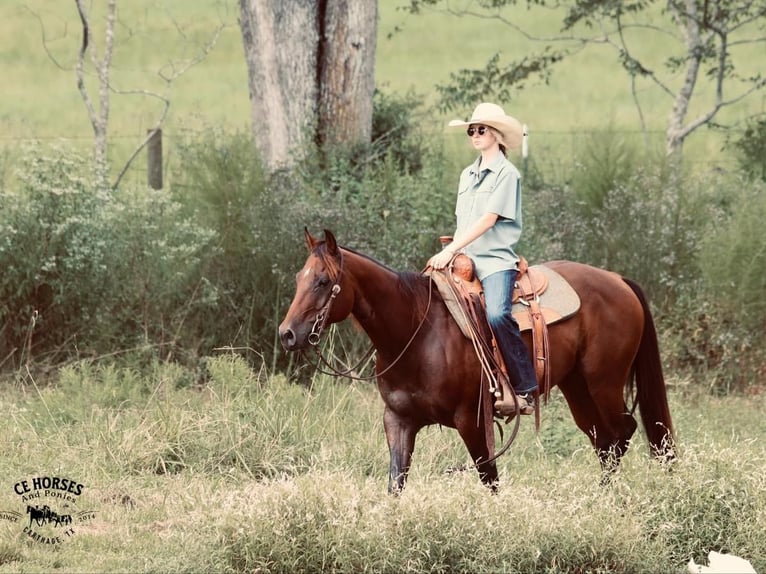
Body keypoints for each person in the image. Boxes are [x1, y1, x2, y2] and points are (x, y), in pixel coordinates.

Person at [428, 102, 537, 416]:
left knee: (497, 315)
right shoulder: (467, 174)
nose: (474, 134)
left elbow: (488, 220)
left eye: (481, 129)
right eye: (471, 130)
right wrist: (452, 251)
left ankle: (524, 388)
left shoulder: (507, 174)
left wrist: (449, 250)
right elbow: (464, 222)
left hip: (494, 260)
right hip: (462, 258)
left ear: (497, 135)